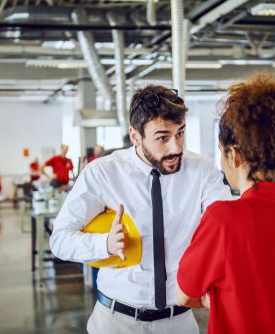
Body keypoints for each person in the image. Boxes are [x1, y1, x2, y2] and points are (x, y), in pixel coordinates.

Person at [49, 85, 232, 334]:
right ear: (135, 136)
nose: (176, 147)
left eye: (180, 133)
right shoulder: (102, 173)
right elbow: (59, 240)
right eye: (162, 137)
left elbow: (227, 225)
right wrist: (105, 245)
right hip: (117, 320)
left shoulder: (202, 171)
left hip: (178, 321)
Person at [175, 72, 275, 334]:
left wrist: (214, 299)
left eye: (221, 152)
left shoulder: (223, 219)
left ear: (234, 155)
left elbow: (183, 295)